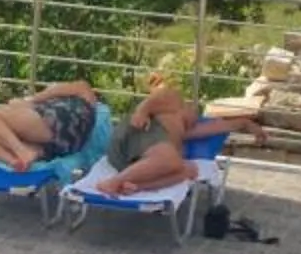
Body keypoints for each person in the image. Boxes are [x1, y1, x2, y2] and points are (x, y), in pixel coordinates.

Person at [99, 78, 263, 194]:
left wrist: (246, 124)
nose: (197, 117)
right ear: (187, 107)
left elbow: (216, 126)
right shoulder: (175, 104)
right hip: (141, 133)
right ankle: (114, 182)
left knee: (188, 170)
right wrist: (142, 111)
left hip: (136, 161)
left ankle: (134, 186)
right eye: (195, 111)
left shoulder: (183, 130)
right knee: (172, 159)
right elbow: (158, 97)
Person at [0, 80, 105, 172]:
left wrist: (31, 100)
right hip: (62, 145)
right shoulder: (85, 108)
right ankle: (15, 161)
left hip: (58, 121)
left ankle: (20, 151)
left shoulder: (80, 96)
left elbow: (80, 85)